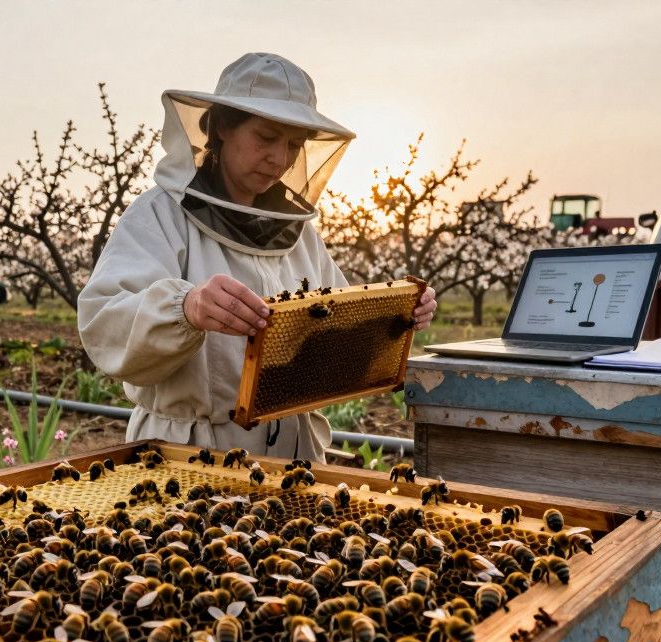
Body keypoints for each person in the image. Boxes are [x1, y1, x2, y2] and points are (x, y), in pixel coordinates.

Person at [78, 52, 438, 462]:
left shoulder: (296, 231)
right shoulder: (159, 215)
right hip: (188, 451)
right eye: (266, 138)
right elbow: (102, 321)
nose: (279, 159)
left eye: (293, 145)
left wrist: (395, 317)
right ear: (221, 128)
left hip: (293, 450)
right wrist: (186, 307)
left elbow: (335, 321)